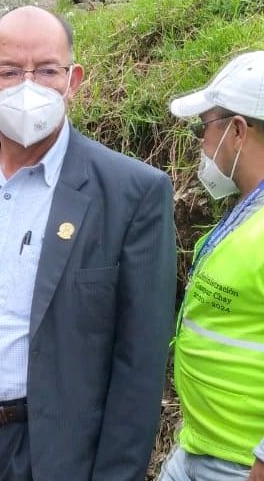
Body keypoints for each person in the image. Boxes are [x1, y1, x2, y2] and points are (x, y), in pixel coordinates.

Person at [0, 5, 177, 481]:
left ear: (73, 81)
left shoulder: (131, 193)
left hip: (49, 453)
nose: (28, 86)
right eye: (9, 71)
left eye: (46, 70)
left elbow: (139, 364)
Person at [158, 51, 264, 481]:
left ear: (237, 130)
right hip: (200, 446)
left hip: (241, 465)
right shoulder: (247, 209)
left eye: (206, 127)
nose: (202, 143)